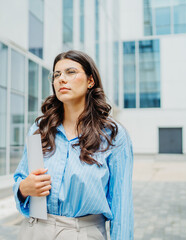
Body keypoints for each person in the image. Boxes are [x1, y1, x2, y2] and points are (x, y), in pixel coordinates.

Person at [13, 50, 134, 240]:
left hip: (83, 233)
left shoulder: (113, 135)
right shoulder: (39, 128)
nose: (62, 79)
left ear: (90, 81)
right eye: (56, 75)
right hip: (34, 230)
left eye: (71, 72)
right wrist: (23, 189)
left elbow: (122, 206)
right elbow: (21, 179)